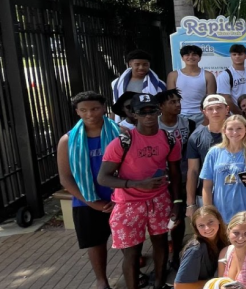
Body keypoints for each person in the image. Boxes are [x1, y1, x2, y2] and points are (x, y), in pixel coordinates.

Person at [97, 93, 183, 289]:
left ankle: (159, 285)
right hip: (128, 203)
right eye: (142, 112)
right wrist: (136, 184)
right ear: (133, 114)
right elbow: (103, 177)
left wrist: (177, 203)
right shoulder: (122, 142)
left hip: (159, 199)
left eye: (152, 110)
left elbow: (176, 174)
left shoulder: (170, 140)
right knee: (132, 252)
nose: (148, 115)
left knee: (160, 244)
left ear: (159, 110)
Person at [57, 91, 117, 289]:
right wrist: (91, 202)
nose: (90, 114)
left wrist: (121, 196)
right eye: (83, 110)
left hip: (119, 198)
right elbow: (65, 177)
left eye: (95, 108)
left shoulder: (121, 133)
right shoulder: (67, 141)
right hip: (86, 200)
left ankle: (134, 271)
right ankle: (102, 280)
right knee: (95, 242)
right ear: (77, 112)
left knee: (127, 239)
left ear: (103, 108)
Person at [157, 89, 196, 270]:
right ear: (161, 106)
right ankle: (162, 254)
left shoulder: (188, 123)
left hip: (182, 175)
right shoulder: (154, 125)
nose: (177, 105)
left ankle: (177, 252)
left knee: (178, 214)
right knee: (160, 217)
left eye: (178, 101)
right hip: (160, 177)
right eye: (172, 102)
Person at [200, 115, 246, 224]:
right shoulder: (214, 152)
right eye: (230, 129)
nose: (235, 132)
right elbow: (207, 187)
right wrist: (209, 214)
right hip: (220, 213)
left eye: (239, 128)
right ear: (224, 130)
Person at [187, 95, 228, 219]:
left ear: (227, 109)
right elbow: (193, 171)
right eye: (210, 109)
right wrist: (190, 204)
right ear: (204, 112)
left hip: (234, 191)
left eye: (219, 108)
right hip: (205, 194)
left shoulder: (238, 132)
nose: (215, 112)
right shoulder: (196, 137)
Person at [175, 206, 229, 289]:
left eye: (210, 222)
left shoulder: (227, 239)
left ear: (219, 220)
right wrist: (217, 283)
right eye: (201, 225)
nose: (207, 228)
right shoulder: (195, 250)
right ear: (196, 228)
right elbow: (179, 286)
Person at [168, 45, 217, 125]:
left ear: (199, 57)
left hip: (202, 115)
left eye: (194, 54)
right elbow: (171, 99)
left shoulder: (208, 75)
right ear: (182, 57)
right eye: (187, 54)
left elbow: (210, 99)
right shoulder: (173, 75)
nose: (191, 57)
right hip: (180, 115)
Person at [216, 44, 246, 115]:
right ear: (231, 56)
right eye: (234, 54)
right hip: (234, 115)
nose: (237, 57)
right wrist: (240, 114)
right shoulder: (225, 75)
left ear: (245, 56)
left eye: (240, 54)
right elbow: (226, 99)